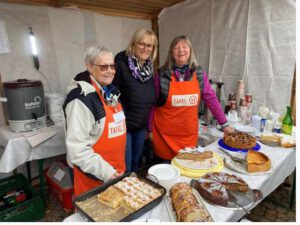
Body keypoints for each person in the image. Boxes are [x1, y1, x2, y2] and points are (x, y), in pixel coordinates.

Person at [150, 35, 234, 161]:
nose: (181, 50)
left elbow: (211, 99)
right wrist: (149, 130)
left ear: (190, 50)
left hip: (188, 138)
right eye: (176, 47)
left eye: (184, 46)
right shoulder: (161, 75)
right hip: (164, 138)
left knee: (187, 174)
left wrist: (224, 124)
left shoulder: (199, 74)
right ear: (171, 52)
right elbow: (151, 105)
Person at [63, 45, 126, 197]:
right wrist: (108, 173)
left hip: (115, 168)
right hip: (95, 176)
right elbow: (78, 151)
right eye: (104, 67)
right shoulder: (80, 99)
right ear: (90, 67)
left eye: (112, 66)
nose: (110, 71)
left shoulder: (109, 90)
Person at [113, 28, 158, 172]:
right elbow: (112, 95)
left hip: (141, 126)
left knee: (136, 162)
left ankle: (135, 190)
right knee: (125, 166)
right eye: (142, 44)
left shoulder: (148, 68)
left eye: (149, 45)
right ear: (134, 43)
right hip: (124, 126)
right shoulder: (121, 63)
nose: (145, 48)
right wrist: (121, 120)